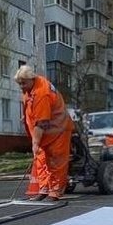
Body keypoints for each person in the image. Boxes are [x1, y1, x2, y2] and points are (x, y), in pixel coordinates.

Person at [14, 65, 74, 200]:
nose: (21, 86)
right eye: (19, 83)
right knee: (41, 160)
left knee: (56, 161)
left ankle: (55, 191)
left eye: (23, 83)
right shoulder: (31, 88)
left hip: (58, 130)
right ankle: (44, 189)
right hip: (46, 132)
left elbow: (42, 123)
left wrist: (35, 144)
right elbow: (32, 108)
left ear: (31, 79)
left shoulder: (42, 93)